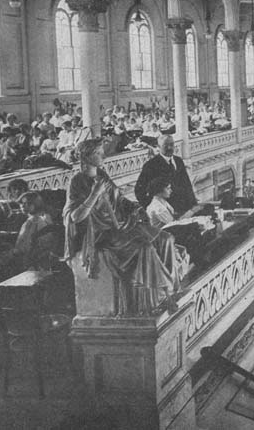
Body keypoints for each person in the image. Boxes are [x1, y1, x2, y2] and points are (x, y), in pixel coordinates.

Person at [64, 138, 188, 315]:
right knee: (145, 248)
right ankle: (161, 296)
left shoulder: (102, 175)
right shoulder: (77, 181)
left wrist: (135, 207)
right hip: (101, 233)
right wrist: (94, 194)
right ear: (86, 156)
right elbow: (74, 217)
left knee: (166, 239)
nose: (103, 156)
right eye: (98, 153)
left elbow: (119, 199)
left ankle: (173, 289)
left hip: (121, 225)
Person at [135, 135, 197, 215]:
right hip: (167, 212)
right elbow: (139, 190)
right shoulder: (151, 165)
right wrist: (151, 207)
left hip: (184, 208)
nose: (169, 148)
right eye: (165, 145)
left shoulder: (178, 161)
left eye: (171, 144)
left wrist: (193, 204)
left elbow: (187, 184)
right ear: (158, 146)